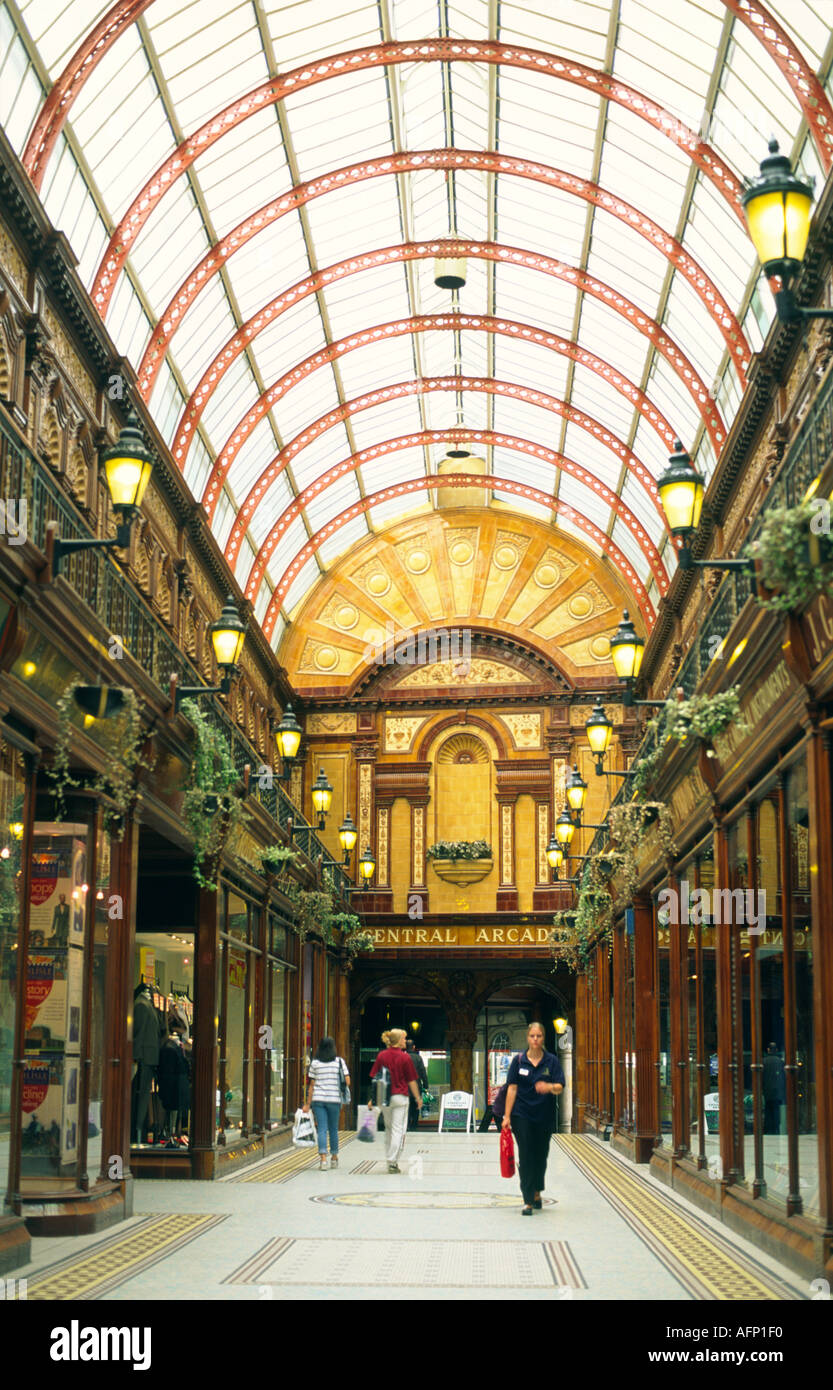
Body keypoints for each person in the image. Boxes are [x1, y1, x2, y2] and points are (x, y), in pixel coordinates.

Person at [502, 1021, 564, 1215]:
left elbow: (560, 1086)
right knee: (526, 1153)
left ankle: (537, 1190)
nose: (535, 1039)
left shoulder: (551, 1061)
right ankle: (528, 1199)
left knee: (541, 1154)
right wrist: (507, 1116)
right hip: (522, 1114)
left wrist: (549, 1087)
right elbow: (512, 1088)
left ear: (543, 1038)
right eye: (532, 1036)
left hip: (544, 1115)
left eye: (539, 1036)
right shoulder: (519, 1061)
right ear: (527, 1038)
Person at [369, 1028, 422, 1172]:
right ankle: (392, 1161)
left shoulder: (382, 1056)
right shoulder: (405, 1058)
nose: (405, 1041)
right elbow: (411, 1080)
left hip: (384, 1098)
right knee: (398, 1129)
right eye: (404, 1039)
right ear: (399, 1041)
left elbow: (375, 1077)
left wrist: (371, 1098)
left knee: (388, 1128)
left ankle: (389, 1159)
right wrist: (418, 1097)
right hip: (400, 1097)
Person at [303, 1036, 350, 1170]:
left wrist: (307, 1103)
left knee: (322, 1129)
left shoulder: (315, 1063)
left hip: (318, 1100)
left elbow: (311, 1086)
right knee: (333, 1129)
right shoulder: (339, 1062)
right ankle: (334, 1158)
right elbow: (347, 1081)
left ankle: (323, 1160)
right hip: (334, 1099)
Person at [762, 1042, 785, 1134]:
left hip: (767, 1090)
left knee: (767, 1109)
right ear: (776, 1050)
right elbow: (783, 1077)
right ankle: (776, 1128)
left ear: (768, 1050)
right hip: (778, 1090)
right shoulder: (780, 1062)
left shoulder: (763, 1061)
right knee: (776, 1110)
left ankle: (768, 1129)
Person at [405, 1037, 427, 1130]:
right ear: (414, 1047)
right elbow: (423, 1072)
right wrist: (426, 1085)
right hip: (416, 1087)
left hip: (405, 1087)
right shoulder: (418, 1058)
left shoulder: (403, 1057)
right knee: (416, 1106)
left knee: (406, 1107)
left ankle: (407, 1125)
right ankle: (414, 1125)